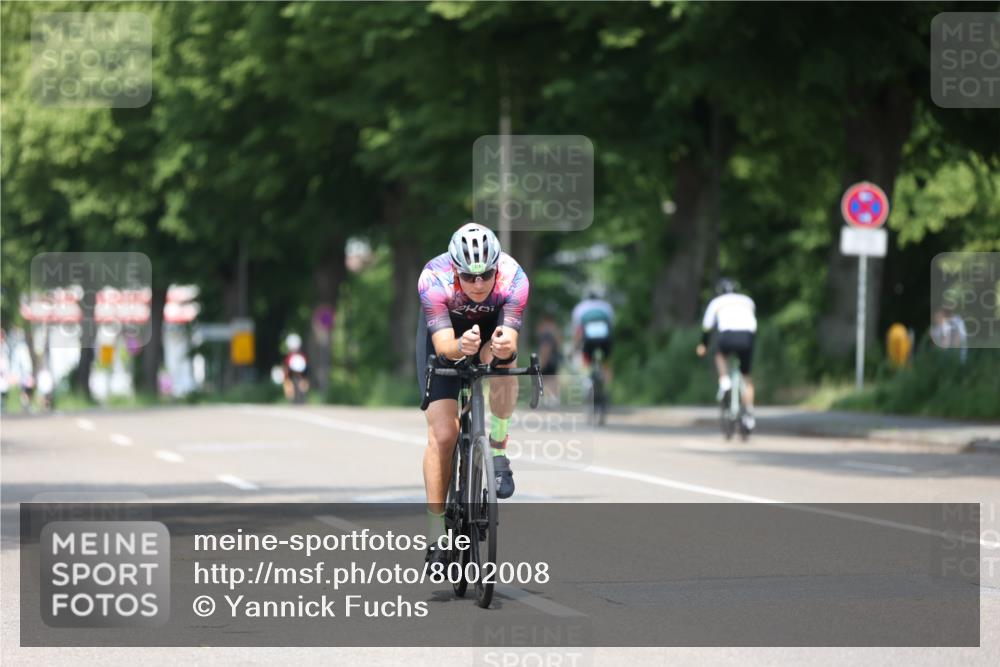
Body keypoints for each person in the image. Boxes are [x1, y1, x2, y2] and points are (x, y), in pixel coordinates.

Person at [415, 223, 529, 570]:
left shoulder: (514, 279)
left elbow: (508, 338)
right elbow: (444, 347)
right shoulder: (433, 279)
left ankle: (497, 451)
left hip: (490, 328)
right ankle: (436, 533)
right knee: (444, 435)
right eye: (468, 277)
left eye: (486, 275)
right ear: (455, 270)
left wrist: (499, 348)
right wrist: (459, 348)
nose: (478, 284)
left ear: (497, 267)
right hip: (446, 334)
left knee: (506, 359)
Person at [696, 278, 758, 431]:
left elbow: (707, 327)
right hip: (747, 336)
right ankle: (749, 413)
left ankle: (725, 381)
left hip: (728, 335)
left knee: (720, 355)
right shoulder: (747, 300)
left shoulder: (717, 302)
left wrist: (703, 345)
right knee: (746, 377)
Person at [571, 290, 614, 385]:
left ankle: (586, 384)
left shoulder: (580, 308)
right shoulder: (606, 306)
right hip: (605, 339)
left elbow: (577, 331)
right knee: (606, 362)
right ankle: (609, 386)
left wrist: (575, 347)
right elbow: (611, 326)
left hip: (588, 340)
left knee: (586, 360)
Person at [535, 313, 562, 405]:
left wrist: (542, 362)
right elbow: (558, 345)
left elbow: (545, 348)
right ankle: (554, 398)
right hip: (555, 359)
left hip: (548, 359)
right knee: (552, 378)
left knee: (546, 378)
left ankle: (550, 399)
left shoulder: (546, 333)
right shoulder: (555, 331)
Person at [282, 333, 310, 402]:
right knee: (288, 381)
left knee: (300, 381)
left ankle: (293, 394)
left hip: (300, 373)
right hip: (297, 373)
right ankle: (291, 394)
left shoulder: (294, 356)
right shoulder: (298, 356)